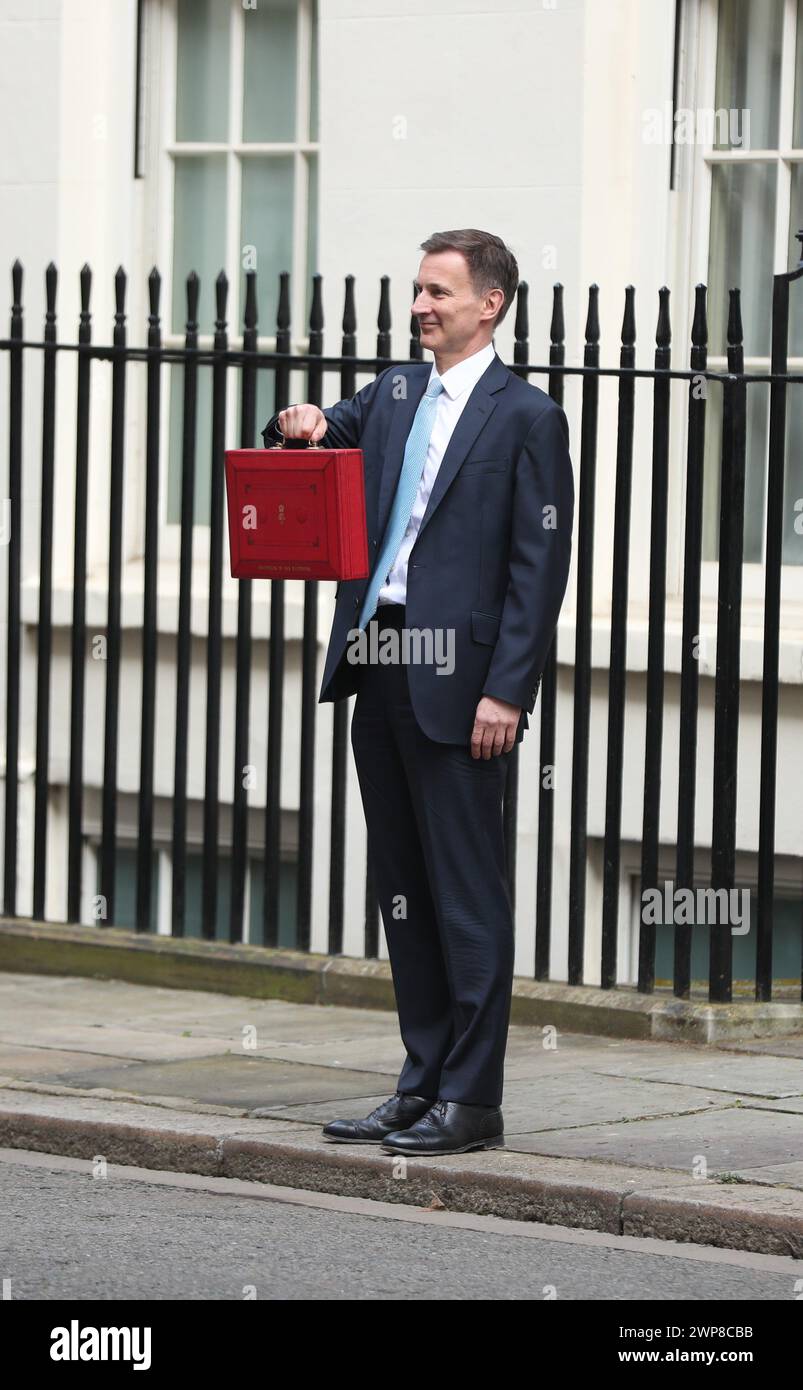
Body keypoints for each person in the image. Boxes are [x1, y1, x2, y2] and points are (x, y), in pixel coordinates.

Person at [261, 229, 574, 1155]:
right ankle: (420, 1084)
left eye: (439, 292)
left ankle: (472, 1102)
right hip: (381, 662)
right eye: (417, 290)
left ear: (492, 305)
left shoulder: (527, 418)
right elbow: (327, 436)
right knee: (403, 887)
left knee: (465, 896)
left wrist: (506, 693)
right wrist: (303, 420)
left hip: (466, 685)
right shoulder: (395, 392)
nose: (419, 307)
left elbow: (537, 568)